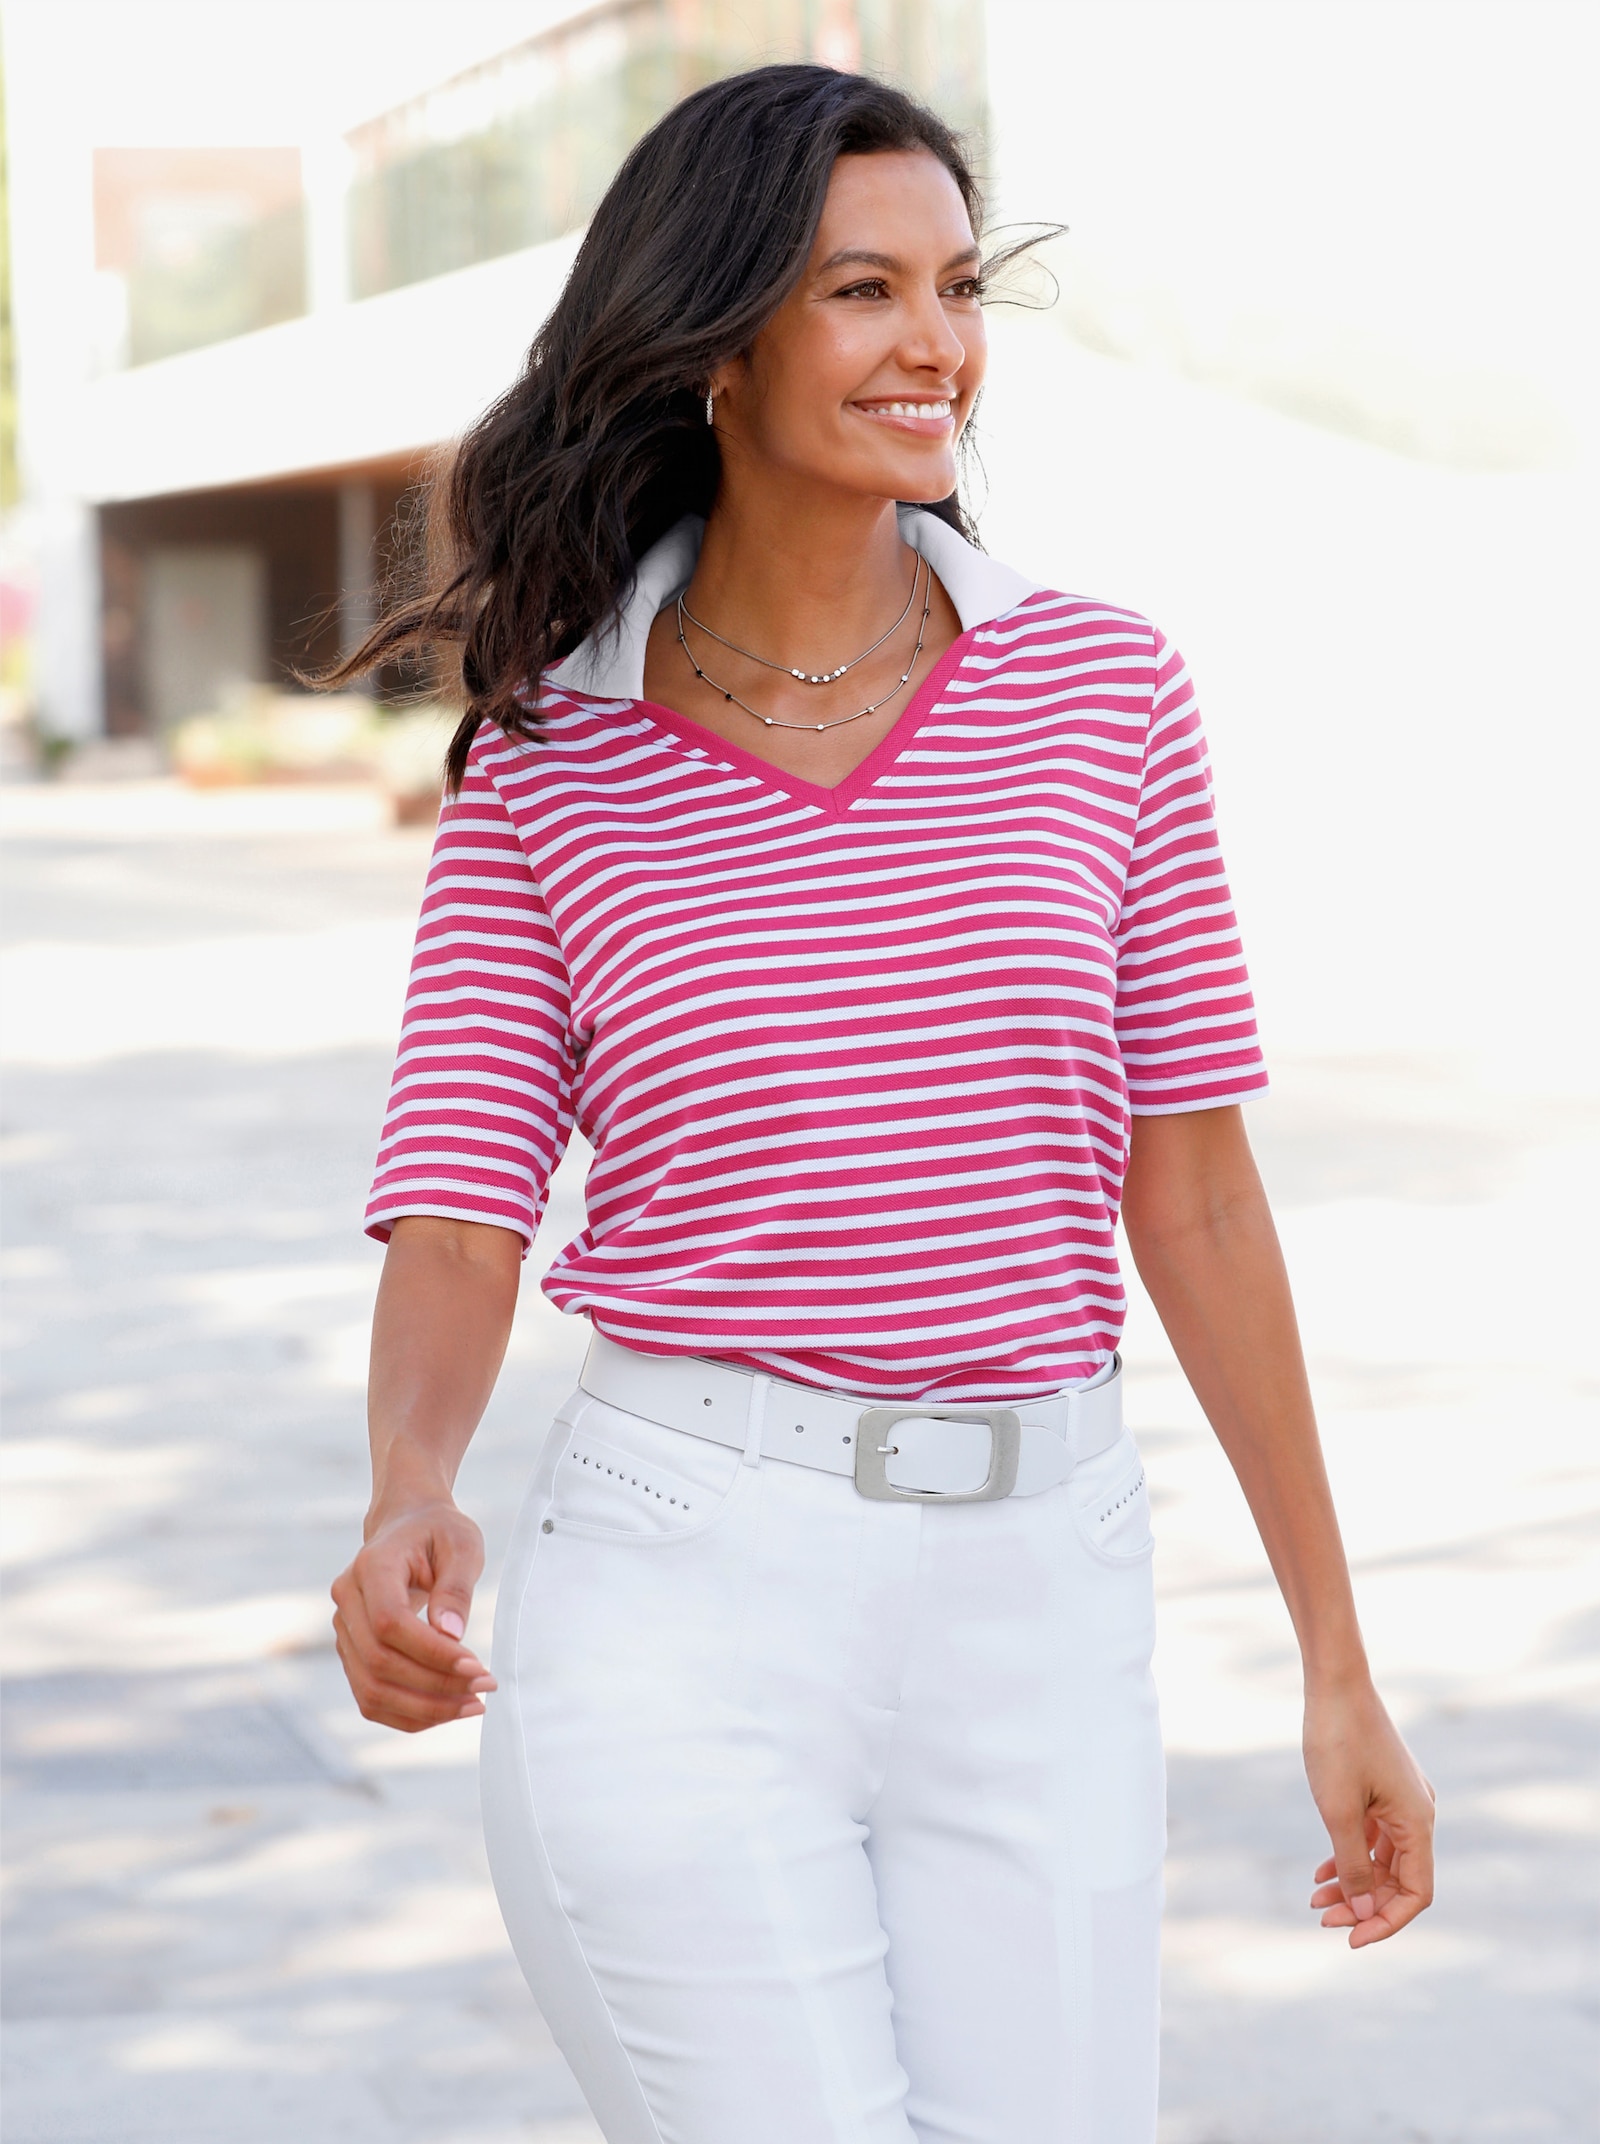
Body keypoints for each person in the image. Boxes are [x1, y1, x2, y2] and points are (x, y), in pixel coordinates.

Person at [327, 62, 1435, 2144]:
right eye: (859, 289)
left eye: (951, 283)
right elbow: (462, 1195)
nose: (932, 341)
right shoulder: (551, 760)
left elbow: (1187, 1189)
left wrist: (1331, 1656)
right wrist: (407, 1485)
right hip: (679, 1592)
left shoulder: (1098, 688)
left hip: (1045, 1594)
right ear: (717, 344)